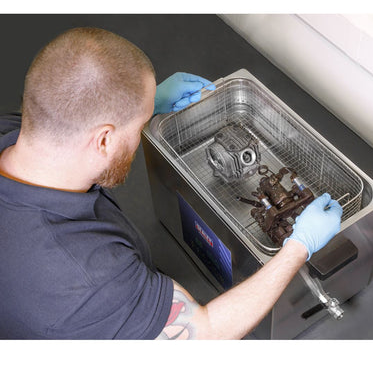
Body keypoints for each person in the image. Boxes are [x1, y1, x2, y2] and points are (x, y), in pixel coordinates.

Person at [0, 27, 342, 339]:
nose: (140, 134)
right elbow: (206, 332)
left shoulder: (18, 132)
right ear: (103, 139)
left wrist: (143, 106)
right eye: (138, 129)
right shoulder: (89, 281)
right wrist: (299, 247)